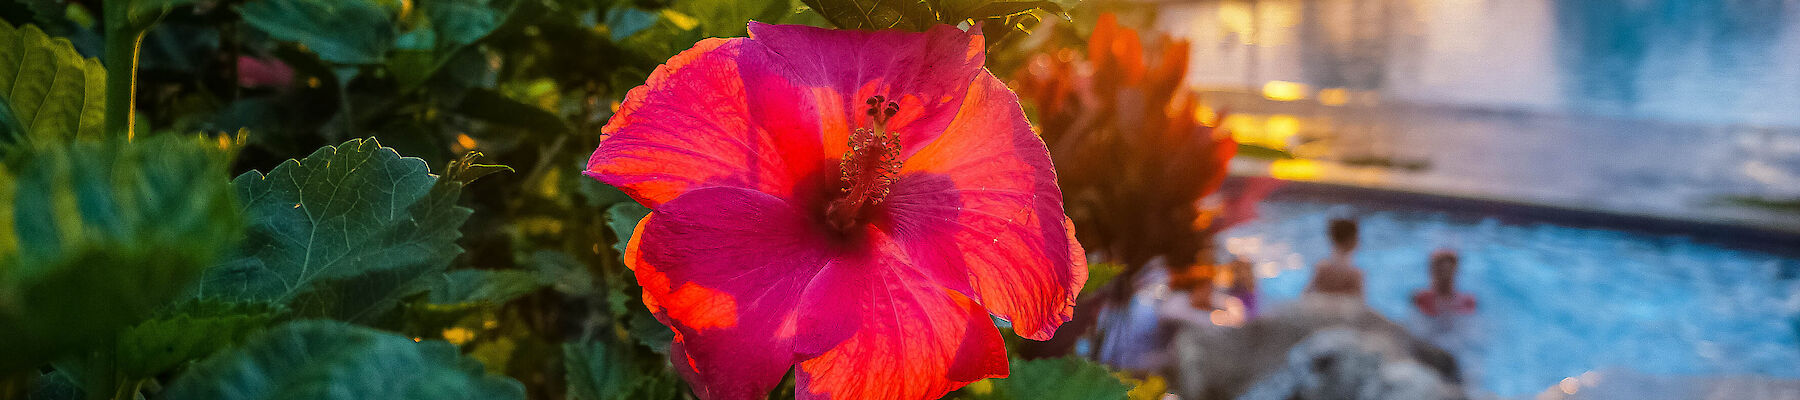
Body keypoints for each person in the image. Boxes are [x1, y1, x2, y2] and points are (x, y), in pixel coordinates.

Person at [1305, 218, 1365, 298]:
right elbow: (1360, 303)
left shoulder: (1321, 268)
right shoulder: (1355, 274)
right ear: (1353, 240)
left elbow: (1306, 295)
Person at [1412, 248, 1476, 316]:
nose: (1445, 275)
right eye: (1441, 270)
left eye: (1448, 271)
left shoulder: (1467, 302)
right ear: (1432, 271)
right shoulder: (1421, 299)